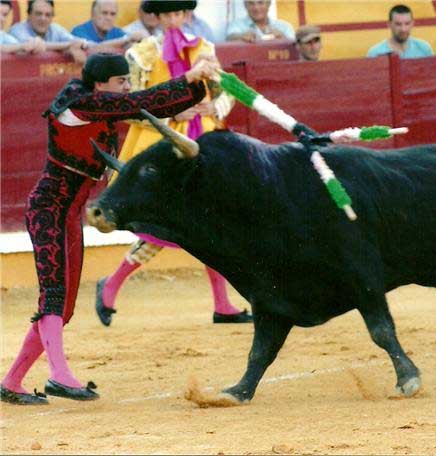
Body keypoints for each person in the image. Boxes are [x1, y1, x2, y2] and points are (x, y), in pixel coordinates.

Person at [0, 52, 217, 405]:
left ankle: (12, 381)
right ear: (100, 84)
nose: (126, 87)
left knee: (63, 304)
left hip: (69, 214)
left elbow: (145, 106)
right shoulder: (77, 103)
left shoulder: (97, 104)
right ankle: (59, 375)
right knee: (54, 294)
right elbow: (139, 101)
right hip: (47, 209)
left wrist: (195, 86)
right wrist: (188, 76)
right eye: (121, 81)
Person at [95, 0, 251, 327]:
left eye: (178, 13)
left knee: (210, 222)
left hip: (203, 142)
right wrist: (171, 114)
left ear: (187, 14)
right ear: (158, 16)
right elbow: (130, 107)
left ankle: (222, 304)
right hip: (163, 149)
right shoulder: (141, 54)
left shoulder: (204, 48)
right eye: (167, 14)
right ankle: (110, 285)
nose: (174, 19)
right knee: (162, 225)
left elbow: (227, 90)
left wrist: (216, 108)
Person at [8, 0, 85, 60]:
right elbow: (34, 46)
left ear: (52, 18)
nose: (43, 19)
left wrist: (79, 44)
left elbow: (81, 43)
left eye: (48, 15)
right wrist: (68, 46)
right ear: (29, 15)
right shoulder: (17, 29)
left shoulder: (55, 29)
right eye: (38, 14)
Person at [366, 4, 433, 59]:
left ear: (412, 24)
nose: (403, 29)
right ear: (389, 25)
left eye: (407, 23)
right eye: (398, 24)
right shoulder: (375, 53)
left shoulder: (424, 49)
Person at [71, 0, 146, 48]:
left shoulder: (117, 32)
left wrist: (141, 41)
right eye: (104, 13)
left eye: (112, 14)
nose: (108, 18)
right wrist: (126, 39)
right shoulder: (79, 31)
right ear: (92, 14)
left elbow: (131, 47)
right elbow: (94, 49)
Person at [226, 0, 295, 43]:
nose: (256, 8)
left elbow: (296, 49)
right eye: (251, 3)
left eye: (260, 2)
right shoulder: (237, 25)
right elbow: (230, 38)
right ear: (245, 6)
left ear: (269, 4)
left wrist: (283, 38)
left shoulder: (284, 26)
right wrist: (241, 37)